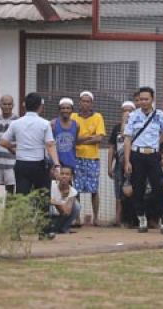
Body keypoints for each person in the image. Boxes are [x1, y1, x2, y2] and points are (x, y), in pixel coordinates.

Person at [123, 86, 163, 233]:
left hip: (154, 155)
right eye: (141, 99)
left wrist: (156, 144)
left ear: (152, 99)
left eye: (146, 99)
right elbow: (128, 139)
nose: (143, 102)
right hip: (137, 155)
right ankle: (141, 218)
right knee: (138, 188)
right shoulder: (133, 116)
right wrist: (127, 161)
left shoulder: (160, 115)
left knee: (159, 187)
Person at [0, 92, 61, 195]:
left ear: (25, 106)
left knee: (22, 196)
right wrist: (57, 164)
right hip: (38, 164)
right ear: (39, 106)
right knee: (42, 195)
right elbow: (50, 145)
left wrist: (13, 148)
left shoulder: (16, 123)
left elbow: (3, 142)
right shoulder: (45, 123)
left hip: (21, 163)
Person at [71, 91, 106, 226]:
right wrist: (89, 138)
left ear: (91, 103)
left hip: (92, 158)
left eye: (88, 101)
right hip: (77, 157)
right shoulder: (73, 116)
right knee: (76, 189)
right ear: (79, 102)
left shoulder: (97, 117)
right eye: (83, 101)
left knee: (94, 189)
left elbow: (99, 138)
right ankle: (77, 217)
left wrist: (80, 140)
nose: (85, 103)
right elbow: (72, 138)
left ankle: (96, 218)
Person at [108, 100, 135, 227]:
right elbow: (112, 147)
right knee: (118, 190)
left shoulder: (137, 127)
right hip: (119, 163)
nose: (127, 113)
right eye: (125, 110)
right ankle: (118, 218)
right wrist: (110, 166)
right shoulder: (116, 128)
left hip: (132, 162)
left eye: (130, 110)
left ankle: (131, 218)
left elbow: (127, 137)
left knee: (131, 190)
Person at [0, 94, 18, 194]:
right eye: (4, 104)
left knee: (10, 190)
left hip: (12, 163)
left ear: (13, 105)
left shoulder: (17, 121)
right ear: (0, 105)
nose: (7, 106)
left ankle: (8, 210)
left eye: (9, 104)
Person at [50, 166, 81, 234]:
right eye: (62, 173)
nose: (64, 176)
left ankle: (64, 228)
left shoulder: (73, 191)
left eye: (67, 174)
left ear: (71, 177)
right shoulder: (51, 185)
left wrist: (56, 202)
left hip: (60, 217)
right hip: (48, 216)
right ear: (58, 175)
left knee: (77, 206)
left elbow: (67, 212)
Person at [51, 98, 78, 172]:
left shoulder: (76, 125)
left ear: (72, 110)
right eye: (63, 108)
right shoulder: (53, 124)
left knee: (68, 183)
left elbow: (75, 143)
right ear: (59, 110)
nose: (65, 110)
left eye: (68, 108)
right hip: (55, 164)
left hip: (70, 163)